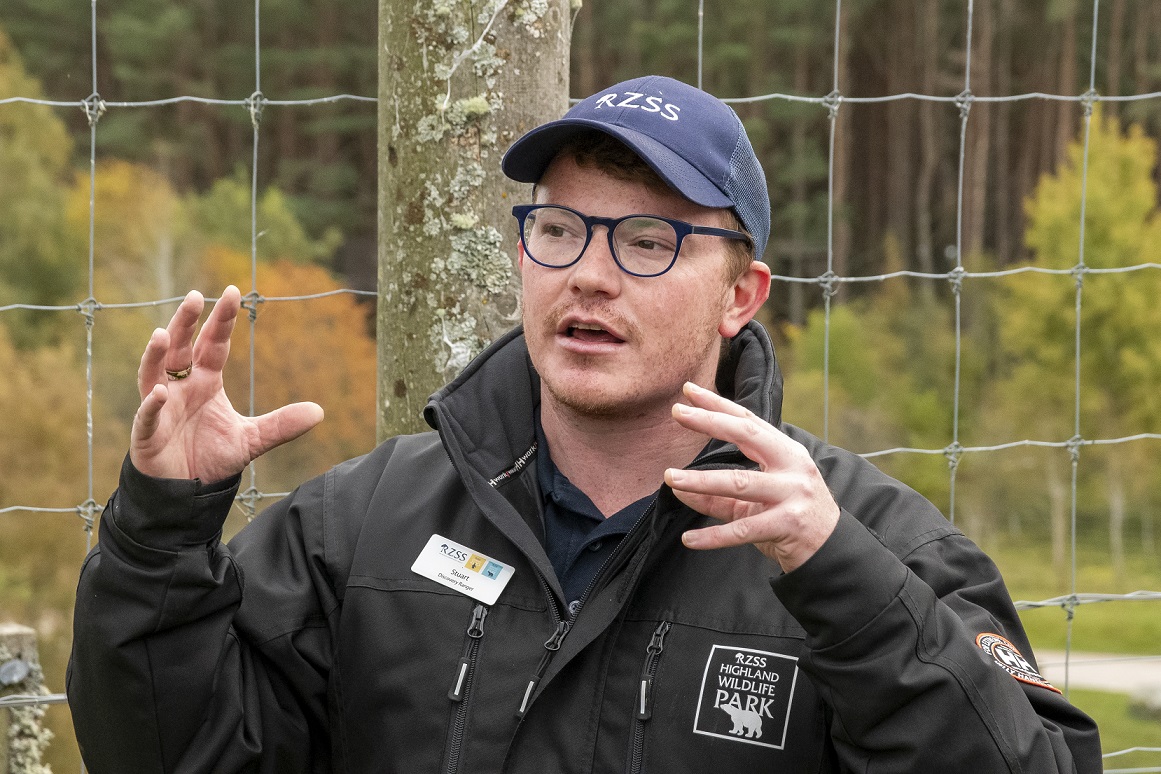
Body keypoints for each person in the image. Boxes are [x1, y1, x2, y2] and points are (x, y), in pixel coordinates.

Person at [68, 75, 1101, 773]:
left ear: (741, 295)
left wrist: (847, 585)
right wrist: (159, 530)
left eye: (648, 240)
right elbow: (172, 755)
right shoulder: (359, 527)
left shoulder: (872, 553)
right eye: (558, 229)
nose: (590, 275)